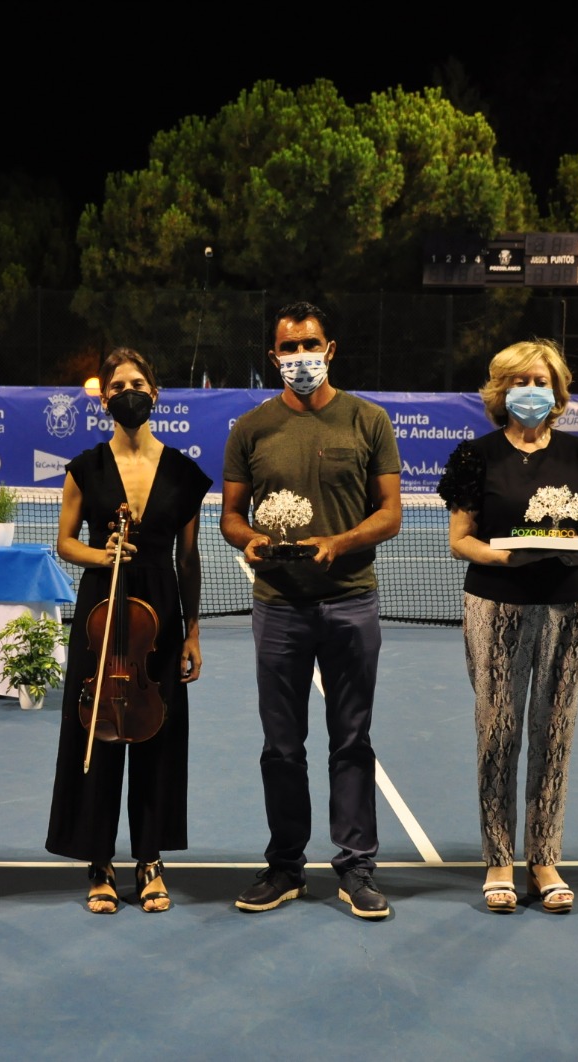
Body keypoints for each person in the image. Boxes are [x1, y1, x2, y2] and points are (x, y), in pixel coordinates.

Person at [221, 301, 402, 920]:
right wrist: (250, 541)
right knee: (282, 745)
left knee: (352, 739)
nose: (301, 356)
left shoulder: (368, 420)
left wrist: (338, 543)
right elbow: (230, 518)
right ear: (273, 356)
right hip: (279, 608)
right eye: (289, 347)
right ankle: (285, 866)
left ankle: (356, 869)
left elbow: (390, 514)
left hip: (352, 602)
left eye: (311, 344)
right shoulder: (251, 429)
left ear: (331, 349)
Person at [437, 338, 578, 913]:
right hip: (496, 605)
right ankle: (497, 859)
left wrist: (577, 548)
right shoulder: (475, 457)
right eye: (519, 382)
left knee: (556, 730)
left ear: (557, 390)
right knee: (499, 731)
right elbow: (460, 540)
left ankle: (543, 858)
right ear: (500, 391)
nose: (531, 392)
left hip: (570, 604)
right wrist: (503, 555)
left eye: (541, 381)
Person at [47, 348, 210, 914]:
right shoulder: (83, 468)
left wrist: (192, 631)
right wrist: (101, 553)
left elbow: (188, 561)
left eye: (137, 383)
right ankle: (98, 860)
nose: (127, 393)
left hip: (161, 614)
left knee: (156, 736)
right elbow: (65, 543)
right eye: (116, 386)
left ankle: (149, 859)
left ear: (156, 392)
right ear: (104, 399)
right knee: (99, 731)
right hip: (102, 610)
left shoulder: (185, 473)